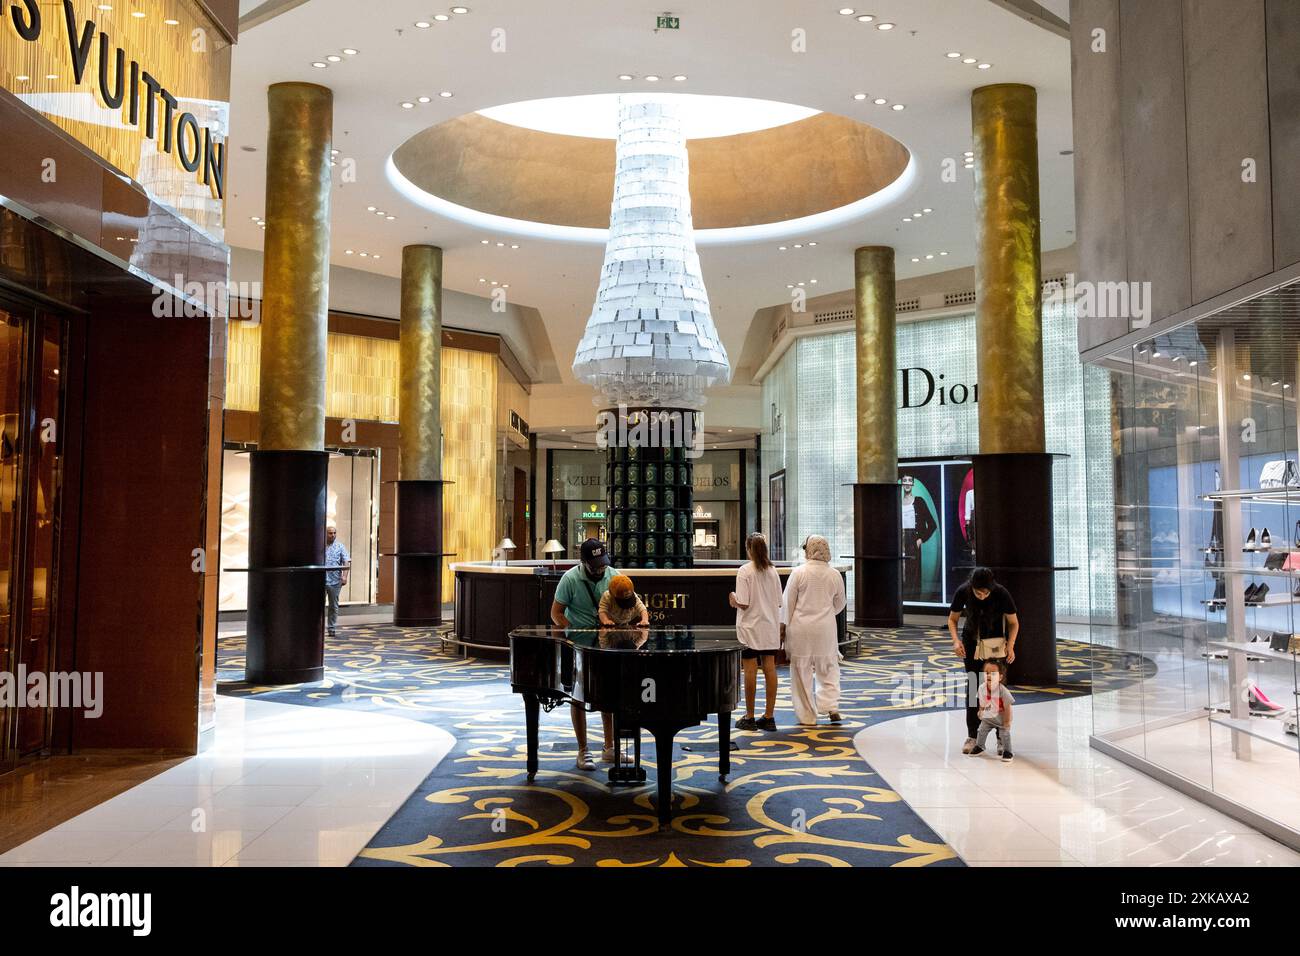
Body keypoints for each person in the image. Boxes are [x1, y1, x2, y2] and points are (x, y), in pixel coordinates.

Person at [550, 538, 616, 770]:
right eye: (595, 565)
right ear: (584, 562)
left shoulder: (613, 575)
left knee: (610, 694)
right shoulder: (570, 579)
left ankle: (610, 748)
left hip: (607, 645)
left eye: (603, 563)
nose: (600, 568)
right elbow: (556, 613)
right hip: (579, 646)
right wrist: (571, 632)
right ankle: (583, 750)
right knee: (579, 697)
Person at [947, 566, 1019, 755]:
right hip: (971, 644)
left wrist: (1010, 646)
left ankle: (1000, 738)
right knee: (973, 687)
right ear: (971, 587)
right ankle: (972, 735)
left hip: (995, 645)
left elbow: (1014, 623)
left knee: (995, 689)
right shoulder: (963, 591)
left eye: (986, 593)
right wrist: (956, 641)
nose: (982, 596)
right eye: (978, 593)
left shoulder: (1001, 593)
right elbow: (952, 619)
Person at [782, 534, 847, 726]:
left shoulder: (799, 572)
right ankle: (831, 706)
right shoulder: (834, 574)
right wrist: (826, 612)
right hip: (825, 628)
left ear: (809, 551)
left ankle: (807, 716)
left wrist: (784, 627)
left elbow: (788, 604)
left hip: (801, 628)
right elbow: (840, 603)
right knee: (828, 668)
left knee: (801, 673)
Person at [729, 532, 782, 732]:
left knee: (750, 669)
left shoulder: (745, 571)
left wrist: (732, 598)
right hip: (769, 627)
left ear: (749, 549)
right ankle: (769, 716)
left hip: (750, 627)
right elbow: (778, 601)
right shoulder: (772, 571)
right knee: (770, 667)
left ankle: (749, 716)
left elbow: (743, 602)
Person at [969, 660, 1014, 762]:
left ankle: (1008, 751)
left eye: (993, 673)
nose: (989, 676)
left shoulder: (1003, 691)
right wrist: (981, 711)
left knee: (1004, 734)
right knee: (981, 731)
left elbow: (1008, 707)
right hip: (988, 717)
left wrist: (1007, 722)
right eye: (986, 673)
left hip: (1001, 718)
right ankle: (980, 746)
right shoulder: (981, 688)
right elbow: (982, 702)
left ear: (1000, 677)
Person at [901, 475, 938, 600]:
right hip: (900, 538)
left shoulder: (919, 501)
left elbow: (932, 525)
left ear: (913, 484)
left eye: (909, 481)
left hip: (913, 539)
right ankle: (900, 602)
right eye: (904, 481)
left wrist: (921, 539)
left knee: (913, 573)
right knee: (900, 570)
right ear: (901, 483)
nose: (907, 483)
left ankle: (912, 601)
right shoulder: (897, 501)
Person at [324, 523, 350, 637]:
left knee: (333, 605)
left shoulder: (340, 546)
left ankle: (331, 628)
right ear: (326, 534)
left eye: (334, 533)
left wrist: (344, 576)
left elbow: (346, 561)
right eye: (330, 533)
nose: (332, 535)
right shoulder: (320, 545)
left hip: (335, 581)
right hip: (321, 580)